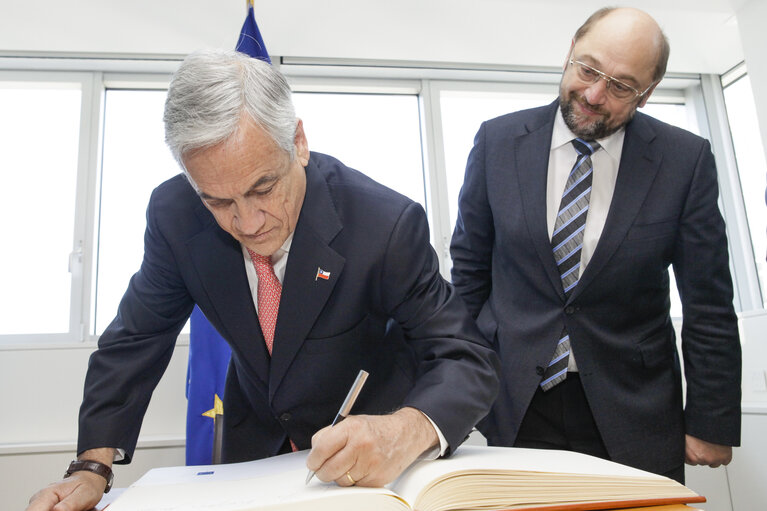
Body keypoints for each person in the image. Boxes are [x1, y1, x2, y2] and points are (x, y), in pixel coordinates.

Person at [27, 49, 499, 511]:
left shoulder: (384, 225)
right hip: (254, 458)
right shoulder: (175, 216)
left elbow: (466, 357)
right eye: (218, 201)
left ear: (297, 141)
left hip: (374, 463)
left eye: (263, 188)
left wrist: (406, 430)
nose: (248, 223)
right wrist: (92, 468)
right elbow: (136, 340)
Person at [450, 7, 741, 484]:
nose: (593, 94)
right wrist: (457, 386)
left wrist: (712, 420)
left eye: (621, 86)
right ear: (569, 53)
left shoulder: (684, 162)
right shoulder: (498, 142)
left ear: (647, 94)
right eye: (587, 69)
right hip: (517, 406)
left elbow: (708, 303)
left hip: (636, 412)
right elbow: (468, 276)